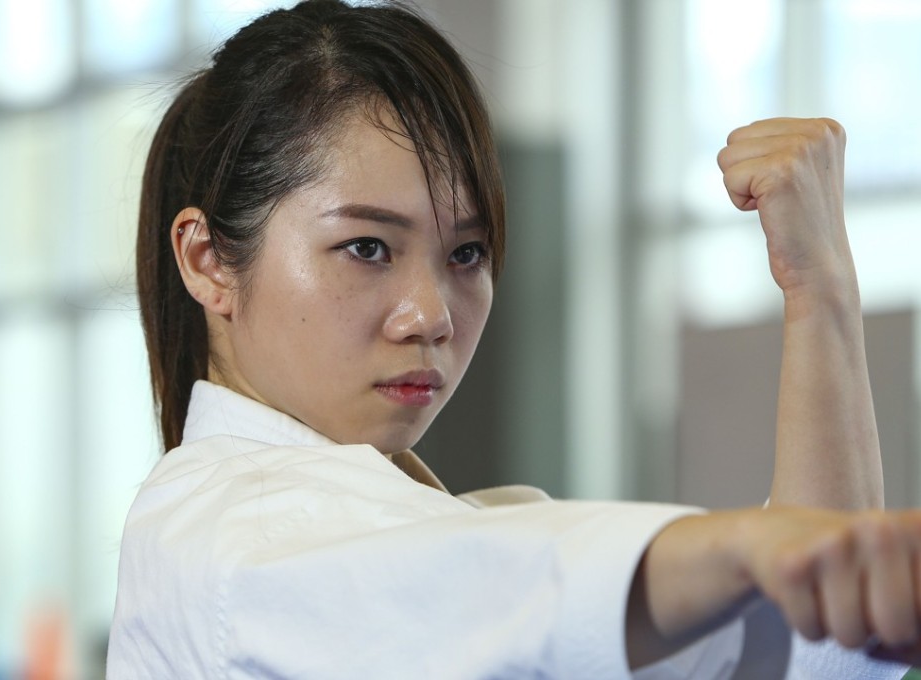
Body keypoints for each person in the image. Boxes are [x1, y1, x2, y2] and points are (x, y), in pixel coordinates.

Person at [108, 1, 918, 677]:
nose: (430, 313)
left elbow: (820, 651)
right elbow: (471, 581)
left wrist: (820, 292)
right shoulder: (227, 529)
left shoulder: (463, 527)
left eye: (466, 254)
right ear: (208, 260)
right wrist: (752, 547)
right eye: (366, 248)